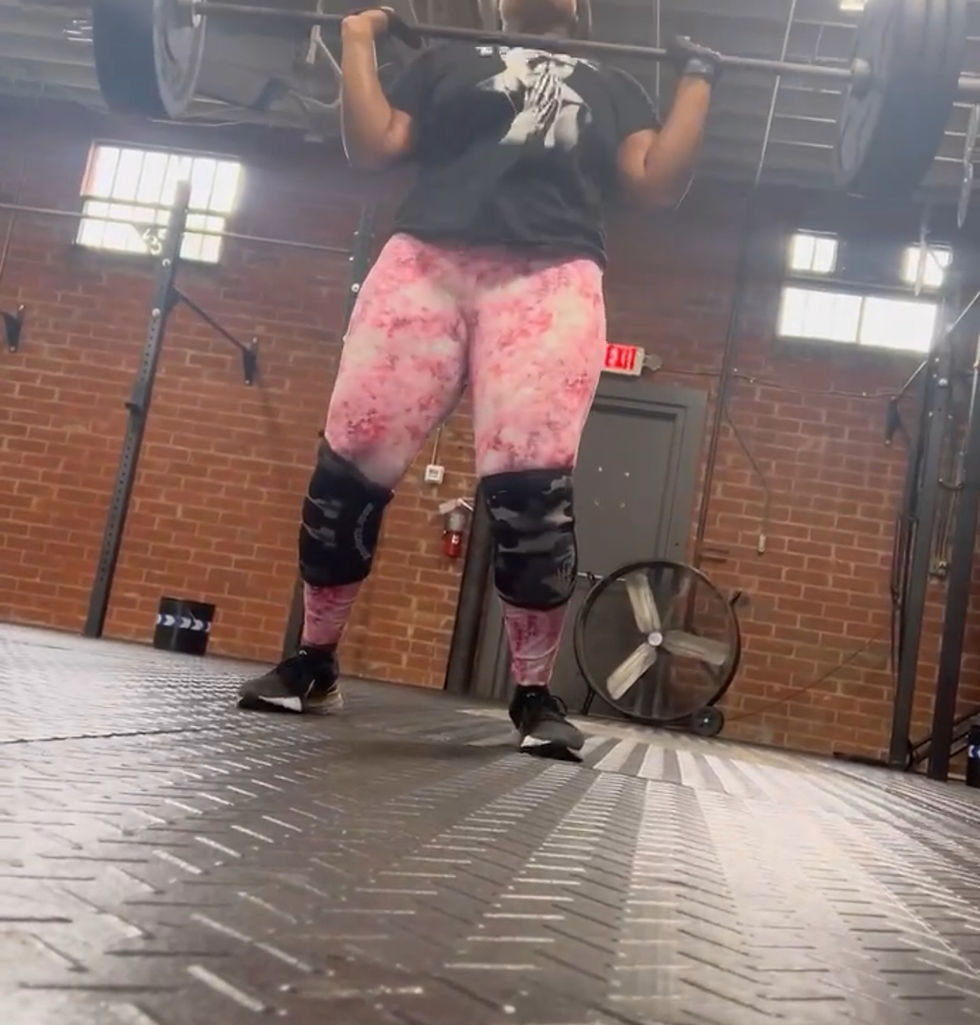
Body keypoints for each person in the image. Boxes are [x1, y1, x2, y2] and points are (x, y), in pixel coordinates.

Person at [237, 0, 718, 759]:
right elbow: (374, 144)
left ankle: (533, 693)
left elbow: (656, 182)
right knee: (352, 460)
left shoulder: (615, 83)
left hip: (549, 277)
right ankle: (314, 658)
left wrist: (698, 79)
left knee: (532, 490)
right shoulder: (445, 60)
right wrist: (356, 38)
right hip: (426, 262)